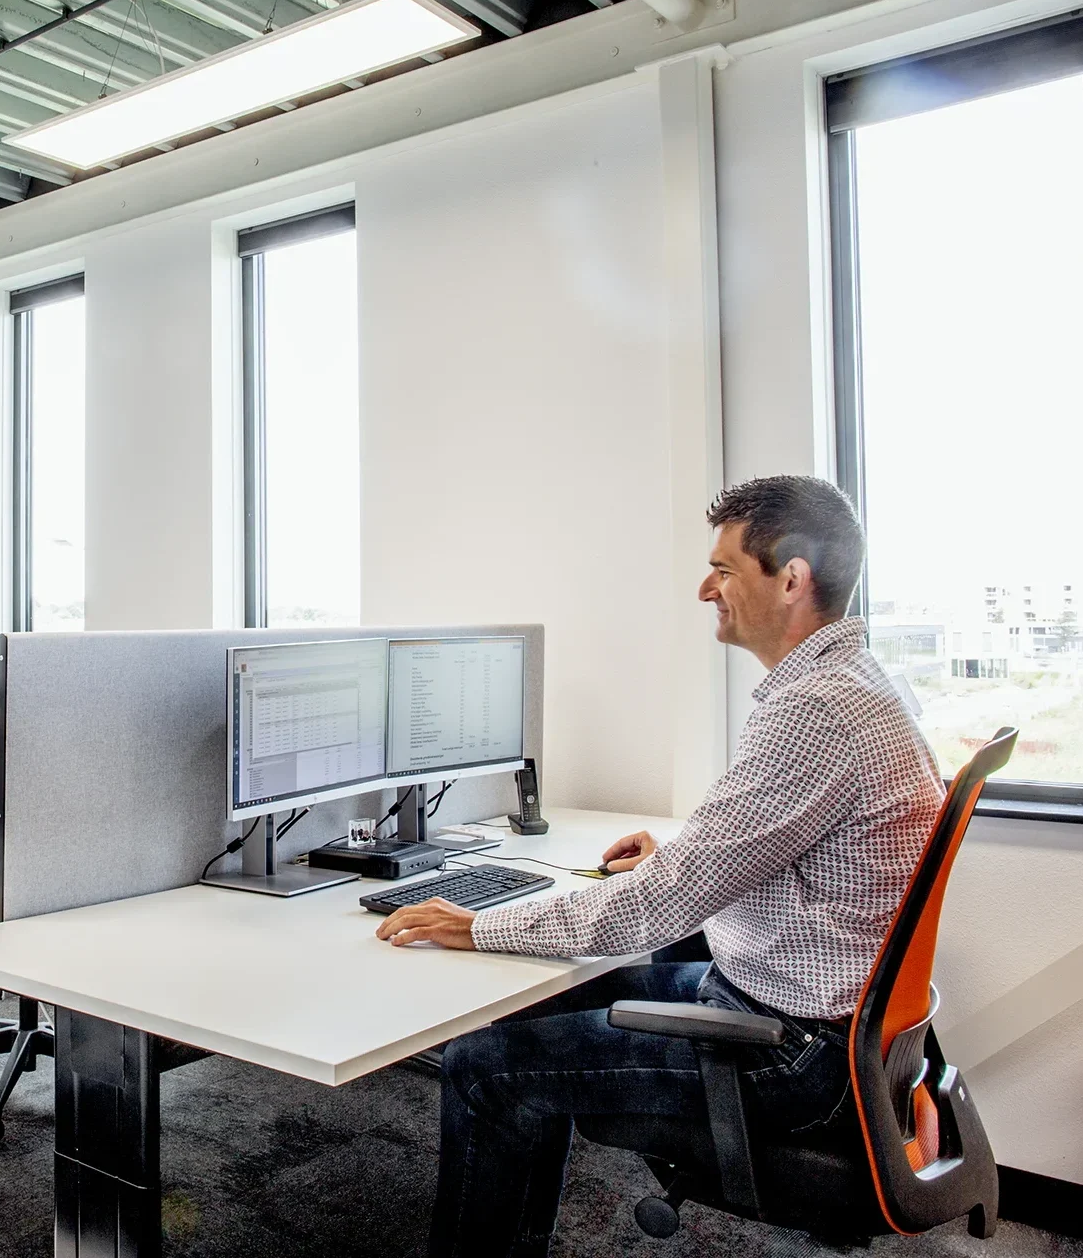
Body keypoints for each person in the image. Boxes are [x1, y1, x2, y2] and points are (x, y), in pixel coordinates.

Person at [375, 475, 944, 1258]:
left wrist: (478, 924)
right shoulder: (860, 682)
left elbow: (652, 909)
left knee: (481, 1066)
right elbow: (786, 852)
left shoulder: (814, 711)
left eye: (723, 568)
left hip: (787, 1052)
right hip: (815, 1020)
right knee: (534, 1008)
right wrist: (679, 859)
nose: (703, 587)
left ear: (790, 579)